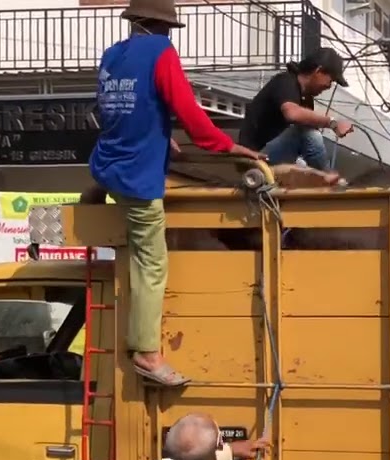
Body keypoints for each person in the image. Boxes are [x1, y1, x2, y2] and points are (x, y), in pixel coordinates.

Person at [88, 0, 264, 387]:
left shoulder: (113, 54)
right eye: (168, 28)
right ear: (160, 25)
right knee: (152, 263)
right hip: (137, 177)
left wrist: (161, 138)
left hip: (108, 165)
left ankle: (139, 341)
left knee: (136, 253)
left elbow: (119, 110)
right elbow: (190, 114)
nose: (169, 35)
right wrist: (228, 146)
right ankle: (147, 354)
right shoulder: (162, 52)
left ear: (135, 21)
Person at [238, 48, 355, 184]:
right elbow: (292, 113)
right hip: (256, 159)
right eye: (331, 80)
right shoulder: (285, 81)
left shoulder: (305, 98)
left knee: (305, 162)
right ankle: (327, 177)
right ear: (318, 71)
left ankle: (324, 179)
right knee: (306, 133)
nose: (329, 86)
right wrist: (332, 123)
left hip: (274, 157)